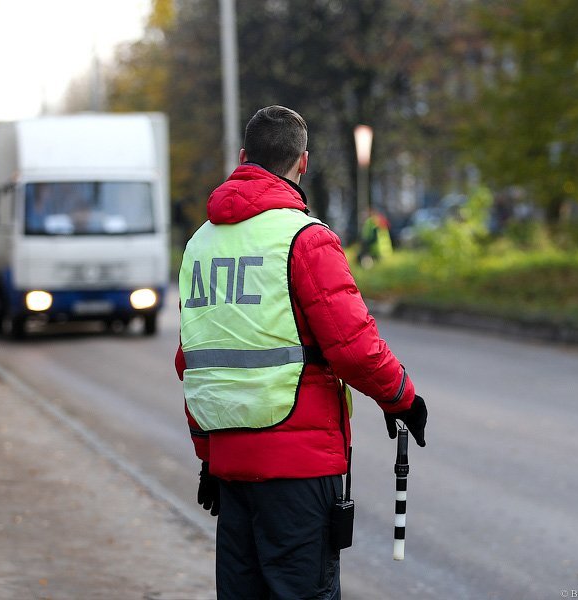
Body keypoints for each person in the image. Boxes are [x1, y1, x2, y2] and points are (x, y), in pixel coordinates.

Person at [175, 105, 428, 599]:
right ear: (303, 163)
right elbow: (353, 347)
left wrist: (208, 454)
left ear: (244, 157)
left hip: (230, 464)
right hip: (298, 466)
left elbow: (198, 362)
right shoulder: (304, 239)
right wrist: (401, 396)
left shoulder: (199, 246)